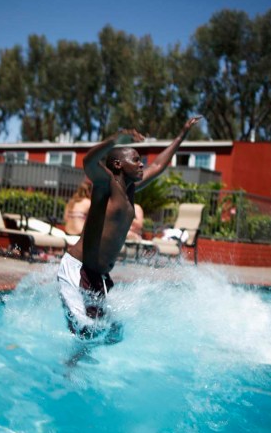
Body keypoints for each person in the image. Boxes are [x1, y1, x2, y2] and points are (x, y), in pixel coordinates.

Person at [57, 116, 202, 342]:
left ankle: (78, 368)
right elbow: (89, 161)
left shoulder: (130, 190)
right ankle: (66, 373)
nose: (141, 163)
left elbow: (158, 165)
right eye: (135, 160)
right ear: (118, 165)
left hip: (99, 277)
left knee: (111, 334)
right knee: (84, 331)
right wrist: (115, 140)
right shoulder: (105, 185)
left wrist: (182, 133)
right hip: (77, 271)